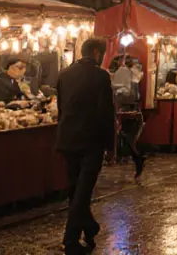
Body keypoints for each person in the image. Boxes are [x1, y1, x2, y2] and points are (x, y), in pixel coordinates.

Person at [56, 38, 114, 255]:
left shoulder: (64, 74)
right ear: (97, 53)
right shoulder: (100, 76)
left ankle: (90, 228)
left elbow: (61, 107)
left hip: (67, 138)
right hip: (91, 141)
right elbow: (105, 113)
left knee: (75, 190)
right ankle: (70, 240)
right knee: (82, 192)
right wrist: (110, 146)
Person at [111, 57, 145, 183]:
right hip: (130, 112)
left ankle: (137, 160)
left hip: (130, 113)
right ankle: (137, 160)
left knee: (128, 140)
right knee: (128, 140)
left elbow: (126, 94)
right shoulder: (131, 76)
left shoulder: (127, 75)